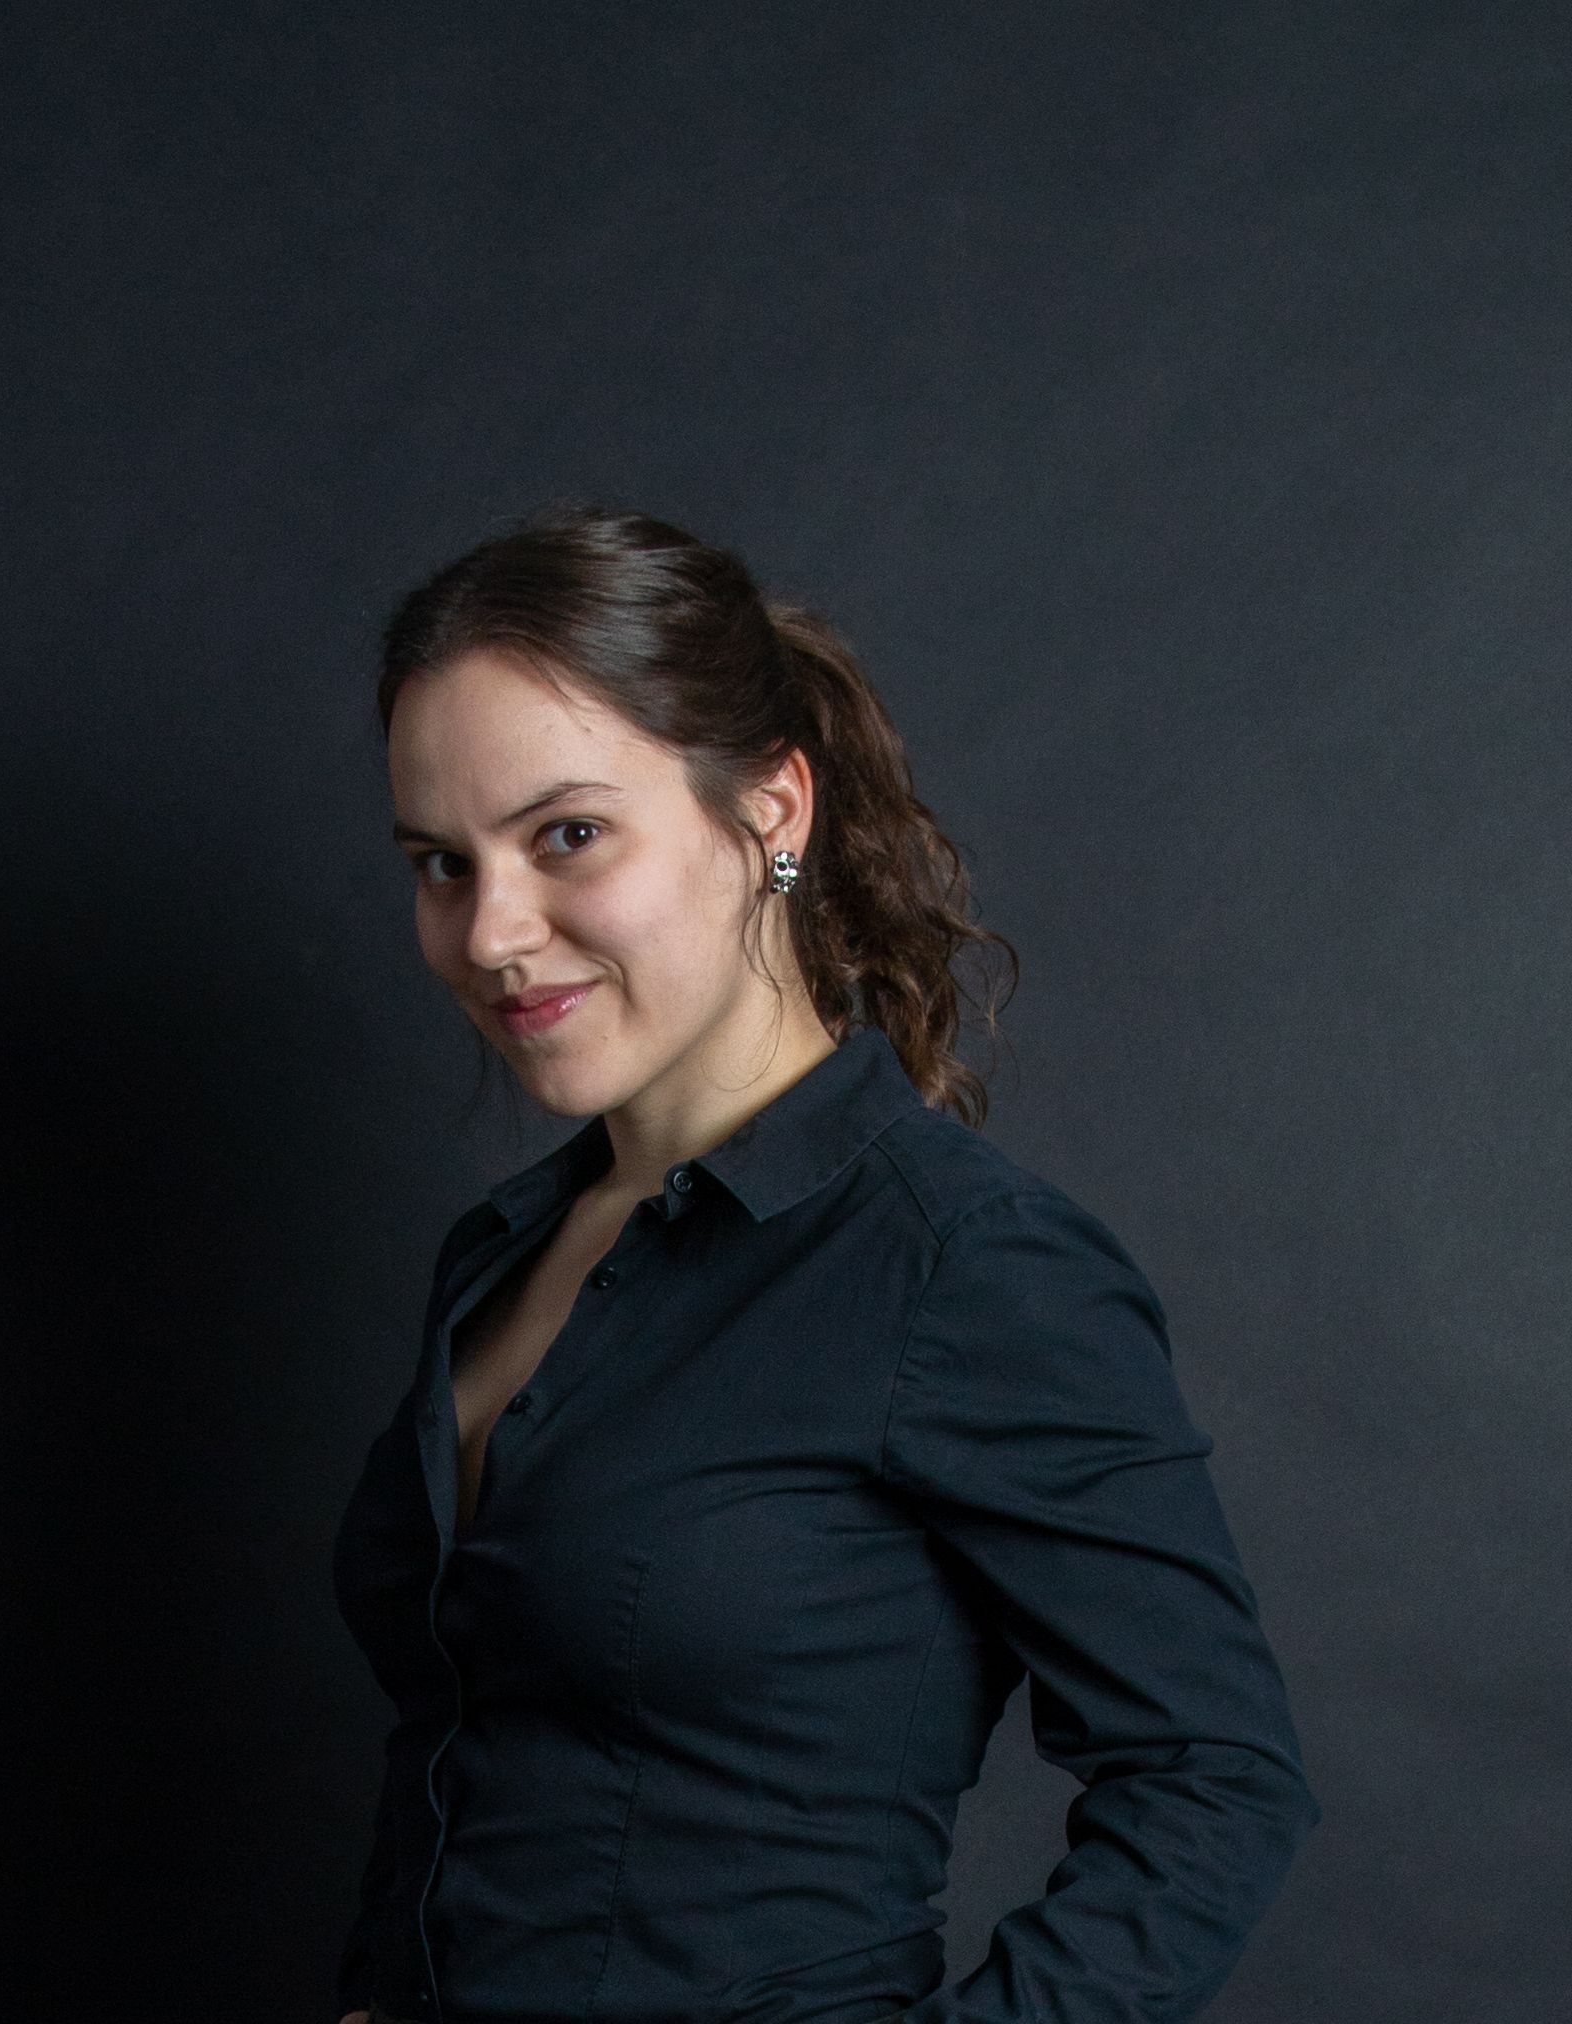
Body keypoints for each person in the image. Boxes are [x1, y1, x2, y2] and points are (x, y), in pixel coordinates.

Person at [328, 505, 1319, 2024]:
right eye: (440, 863)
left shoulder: (963, 1263)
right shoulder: (504, 1252)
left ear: (770, 812)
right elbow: (471, 1758)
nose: (493, 933)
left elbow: (1215, 1780)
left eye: (567, 835)